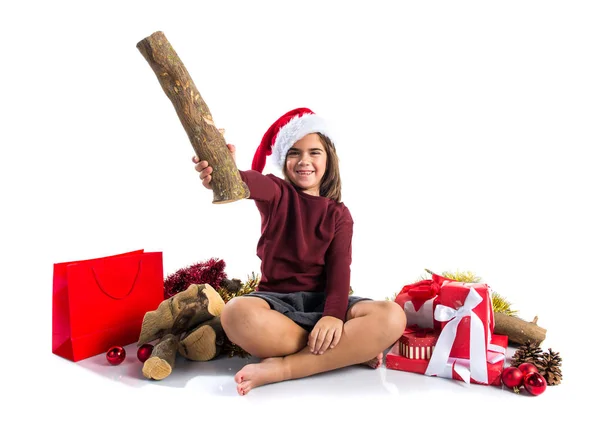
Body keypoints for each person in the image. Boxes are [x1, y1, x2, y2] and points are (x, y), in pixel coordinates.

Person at [192, 107, 406, 395]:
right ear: (284, 160)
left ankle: (285, 368)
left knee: (393, 316)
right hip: (275, 305)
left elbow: (340, 270)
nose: (304, 160)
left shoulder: (339, 215)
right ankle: (348, 351)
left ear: (329, 159)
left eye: (314, 152)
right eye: (294, 152)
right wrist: (223, 169)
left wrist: (332, 316)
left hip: (327, 306)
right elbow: (244, 182)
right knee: (234, 313)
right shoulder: (277, 193)